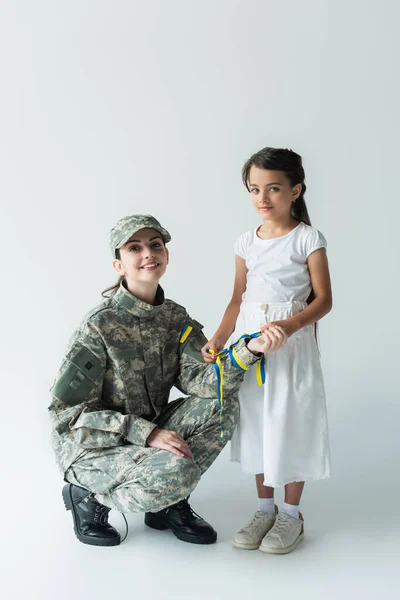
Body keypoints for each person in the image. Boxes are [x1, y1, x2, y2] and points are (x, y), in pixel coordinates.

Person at [49, 214, 287, 547]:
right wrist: (148, 433)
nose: (148, 253)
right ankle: (86, 496)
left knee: (221, 404)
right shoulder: (98, 327)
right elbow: (68, 418)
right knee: (178, 472)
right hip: (93, 449)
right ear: (119, 265)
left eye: (155, 245)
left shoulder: (174, 318)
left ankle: (167, 501)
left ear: (166, 256)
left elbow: (204, 382)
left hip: (148, 434)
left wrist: (248, 349)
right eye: (135, 248)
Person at [202, 148, 332, 554]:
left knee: (289, 424)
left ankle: (290, 515)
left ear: (296, 190)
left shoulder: (307, 238)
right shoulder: (246, 241)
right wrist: (220, 338)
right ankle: (264, 509)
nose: (263, 198)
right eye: (255, 189)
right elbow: (237, 298)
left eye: (273, 189)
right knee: (258, 423)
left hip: (291, 349)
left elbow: (323, 301)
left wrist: (289, 326)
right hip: (250, 347)